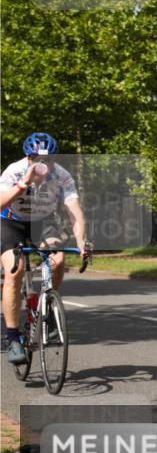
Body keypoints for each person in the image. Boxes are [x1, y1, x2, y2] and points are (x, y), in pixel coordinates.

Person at [0, 133, 90, 364]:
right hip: (10, 222)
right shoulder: (14, 171)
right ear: (27, 158)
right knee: (15, 270)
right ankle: (12, 338)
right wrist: (23, 184)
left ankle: (48, 312)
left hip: (42, 222)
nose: (42, 165)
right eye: (35, 159)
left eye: (48, 160)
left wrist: (81, 242)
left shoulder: (62, 175)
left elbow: (75, 213)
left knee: (58, 260)